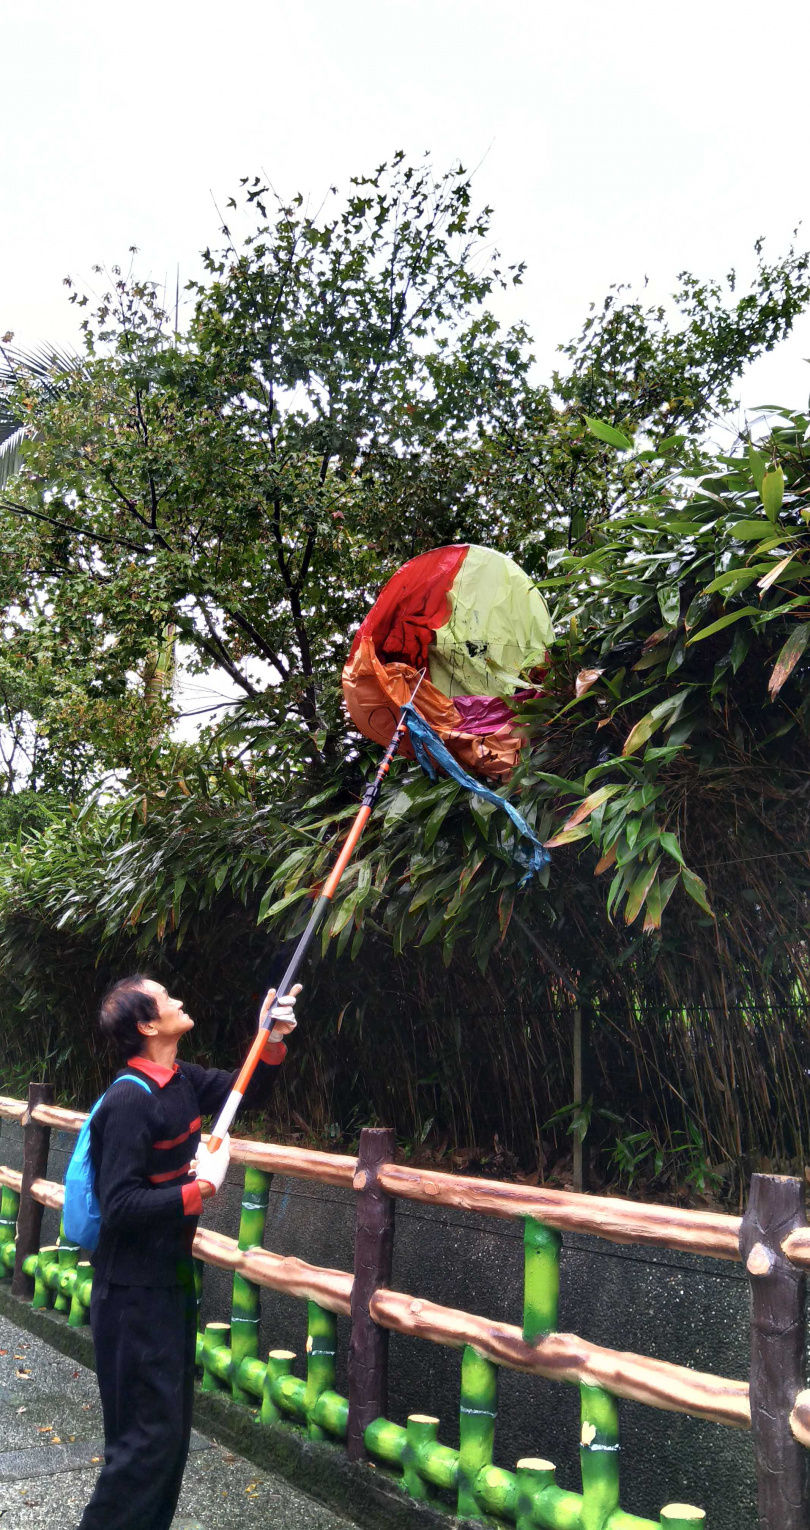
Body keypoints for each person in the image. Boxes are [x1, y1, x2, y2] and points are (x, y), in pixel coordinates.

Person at [76, 973, 300, 1530]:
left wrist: (268, 1039)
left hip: (169, 1282)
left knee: (168, 1441)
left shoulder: (179, 1080)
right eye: (166, 998)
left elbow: (246, 1091)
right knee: (141, 1448)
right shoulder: (130, 1099)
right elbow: (121, 1204)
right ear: (148, 1025)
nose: (179, 999)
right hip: (129, 1294)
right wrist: (198, 1188)